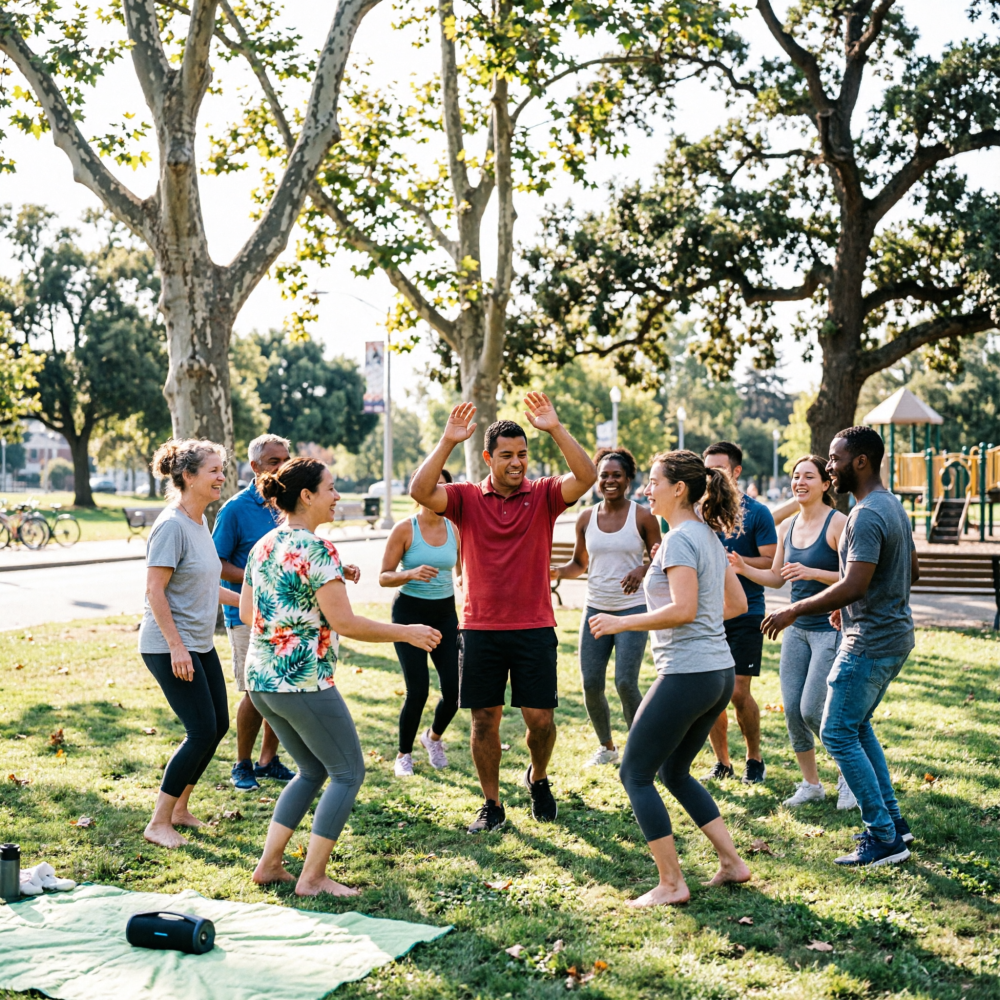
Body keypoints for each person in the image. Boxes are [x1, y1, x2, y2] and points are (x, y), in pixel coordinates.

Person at [241, 458, 441, 896]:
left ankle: (269, 866)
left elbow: (246, 612)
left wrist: (324, 584)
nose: (337, 497)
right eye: (330, 488)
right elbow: (346, 623)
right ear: (307, 495)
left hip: (261, 682)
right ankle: (312, 878)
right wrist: (407, 632)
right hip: (301, 682)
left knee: (312, 770)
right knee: (348, 772)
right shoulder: (318, 550)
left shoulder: (264, 544)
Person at [410, 395, 597, 833]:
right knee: (483, 721)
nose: (517, 462)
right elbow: (419, 491)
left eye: (522, 454)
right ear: (488, 458)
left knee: (541, 721)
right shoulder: (465, 498)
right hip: (480, 629)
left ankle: (538, 777)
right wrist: (447, 440)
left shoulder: (545, 494)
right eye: (507, 455)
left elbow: (586, 476)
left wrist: (555, 428)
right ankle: (491, 804)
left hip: (535, 626)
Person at [589, 450, 751, 906]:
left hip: (689, 672)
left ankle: (672, 883)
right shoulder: (706, 535)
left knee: (634, 773)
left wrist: (621, 622)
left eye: (654, 482)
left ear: (678, 489)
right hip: (717, 672)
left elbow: (683, 609)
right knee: (674, 771)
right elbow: (736, 605)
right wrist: (701, 621)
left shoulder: (681, 539)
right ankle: (732, 863)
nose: (647, 489)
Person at [763, 426, 918, 867]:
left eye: (834, 458)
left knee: (835, 731)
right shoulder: (892, 505)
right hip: (892, 635)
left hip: (869, 641)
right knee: (858, 726)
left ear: (861, 461)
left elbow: (853, 583)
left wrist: (795, 610)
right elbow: (911, 570)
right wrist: (850, 604)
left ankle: (883, 837)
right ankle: (894, 823)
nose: (830, 466)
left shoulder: (865, 515)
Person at [727, 456, 854, 809]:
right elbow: (776, 577)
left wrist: (813, 572)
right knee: (793, 711)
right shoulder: (788, 526)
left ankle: (850, 776)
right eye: (796, 476)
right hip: (796, 630)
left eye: (809, 476)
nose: (800, 482)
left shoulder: (838, 523)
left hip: (830, 628)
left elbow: (855, 578)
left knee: (813, 709)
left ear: (825, 484)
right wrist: (742, 567)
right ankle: (811, 784)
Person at [138, 439, 243, 849]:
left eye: (222, 469)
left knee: (218, 726)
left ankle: (180, 809)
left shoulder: (199, 523)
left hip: (199, 643)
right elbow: (155, 591)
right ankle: (158, 823)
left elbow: (205, 585)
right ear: (188, 476)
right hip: (169, 645)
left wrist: (250, 605)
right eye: (214, 470)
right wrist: (176, 646)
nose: (222, 477)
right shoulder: (171, 525)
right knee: (200, 731)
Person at [552, 447, 661, 766]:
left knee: (625, 682)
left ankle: (641, 750)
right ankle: (607, 747)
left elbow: (662, 559)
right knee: (590, 684)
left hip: (632, 611)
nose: (610, 480)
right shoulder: (586, 518)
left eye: (617, 475)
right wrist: (556, 572)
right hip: (595, 611)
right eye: (604, 475)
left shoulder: (642, 516)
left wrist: (642, 569)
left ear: (628, 479)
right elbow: (579, 563)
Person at [213, 433, 296, 793]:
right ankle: (242, 764)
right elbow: (215, 564)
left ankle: (267, 761)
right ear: (254, 466)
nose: (282, 467)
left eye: (286, 460)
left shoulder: (290, 503)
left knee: (280, 689)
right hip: (247, 615)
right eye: (274, 461)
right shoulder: (235, 509)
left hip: (285, 614)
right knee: (255, 692)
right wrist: (260, 578)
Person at [702, 441, 777, 784]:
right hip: (707, 613)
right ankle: (723, 763)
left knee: (737, 691)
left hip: (747, 612)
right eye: (707, 469)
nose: (711, 475)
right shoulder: (698, 510)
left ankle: (754, 759)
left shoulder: (757, 512)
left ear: (736, 471)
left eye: (718, 469)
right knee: (711, 694)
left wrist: (739, 563)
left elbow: (770, 561)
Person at [379, 469, 462, 777]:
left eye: (444, 486)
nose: (438, 491)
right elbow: (384, 576)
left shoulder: (455, 528)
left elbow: (462, 569)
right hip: (409, 614)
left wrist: (464, 579)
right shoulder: (405, 529)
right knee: (418, 690)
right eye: (432, 485)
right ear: (419, 490)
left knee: (455, 690)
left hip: (445, 615)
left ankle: (433, 738)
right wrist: (410, 574)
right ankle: (404, 755)